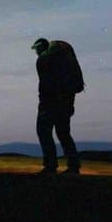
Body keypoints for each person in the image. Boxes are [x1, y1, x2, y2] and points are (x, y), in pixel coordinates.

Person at [33, 37, 85, 175]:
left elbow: (45, 84)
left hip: (49, 102)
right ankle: (74, 166)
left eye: (36, 49)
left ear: (40, 47)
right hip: (66, 102)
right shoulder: (62, 62)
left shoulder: (42, 60)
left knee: (44, 131)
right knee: (63, 133)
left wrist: (43, 102)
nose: (36, 52)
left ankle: (50, 165)